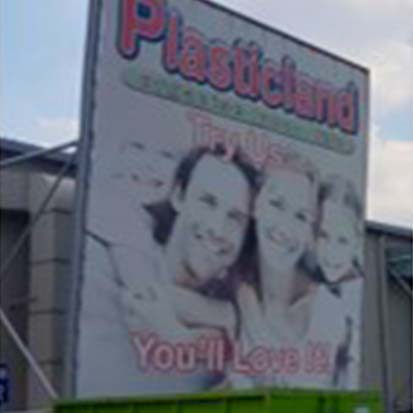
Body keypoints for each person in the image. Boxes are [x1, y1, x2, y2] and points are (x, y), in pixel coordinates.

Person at [121, 143, 259, 392]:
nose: (217, 228)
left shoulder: (242, 302)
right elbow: (139, 296)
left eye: (235, 217)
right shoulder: (120, 251)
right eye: (208, 201)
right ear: (178, 196)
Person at [315, 175, 364, 388]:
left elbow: (350, 371)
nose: (330, 253)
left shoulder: (354, 298)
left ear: (356, 243)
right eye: (323, 235)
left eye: (342, 240)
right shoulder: (310, 283)